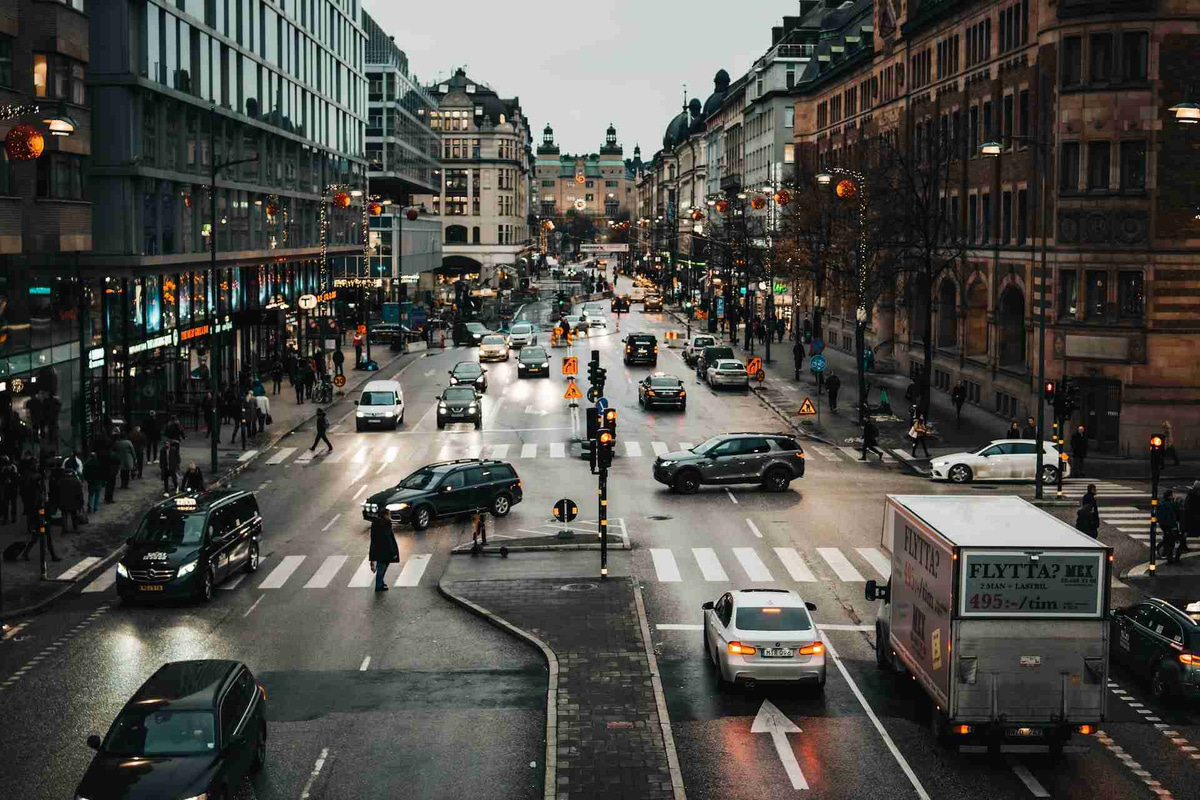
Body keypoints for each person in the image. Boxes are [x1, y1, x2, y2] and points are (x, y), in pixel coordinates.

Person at [19, 474, 57, 562]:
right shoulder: (37, 492)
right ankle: (52, 555)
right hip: (41, 517)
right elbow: (39, 504)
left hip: (40, 516)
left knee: (37, 537)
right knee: (43, 536)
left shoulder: (36, 491)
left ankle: (26, 553)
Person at [369, 514, 399, 592]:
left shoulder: (375, 523)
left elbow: (373, 539)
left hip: (377, 550)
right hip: (385, 551)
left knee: (381, 567)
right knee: (382, 568)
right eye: (388, 514)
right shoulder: (386, 524)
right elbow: (389, 540)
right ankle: (379, 586)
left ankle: (381, 583)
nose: (389, 515)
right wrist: (393, 552)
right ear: (385, 515)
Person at [56, 462, 84, 532]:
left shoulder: (60, 481)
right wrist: (81, 501)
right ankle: (75, 527)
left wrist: (58, 502)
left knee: (64, 515)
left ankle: (64, 528)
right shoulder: (76, 481)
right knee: (74, 514)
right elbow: (79, 493)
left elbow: (58, 493)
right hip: (74, 501)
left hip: (63, 502)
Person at [1159, 489, 1184, 563]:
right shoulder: (1172, 504)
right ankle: (1175, 559)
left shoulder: (1160, 503)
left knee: (1168, 540)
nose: (1173, 496)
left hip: (1163, 525)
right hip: (1171, 525)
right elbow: (1179, 509)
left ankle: (1169, 558)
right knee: (1179, 541)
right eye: (1172, 495)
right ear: (1169, 496)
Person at [0, 455, 17, 524]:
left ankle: (9, 518)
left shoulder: (12, 468)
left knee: (9, 503)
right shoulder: (10, 468)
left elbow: (16, 478)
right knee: (9, 503)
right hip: (10, 488)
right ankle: (10, 517)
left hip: (10, 487)